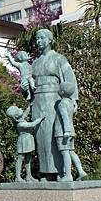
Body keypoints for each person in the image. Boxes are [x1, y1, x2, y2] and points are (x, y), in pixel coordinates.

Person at [23, 29, 78, 180]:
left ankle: (60, 172)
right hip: (38, 101)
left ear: (49, 40)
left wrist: (72, 100)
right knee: (41, 138)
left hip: (54, 100)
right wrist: (26, 87)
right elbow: (28, 83)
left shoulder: (59, 59)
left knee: (54, 136)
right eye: (37, 38)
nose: (38, 41)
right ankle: (46, 173)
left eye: (41, 38)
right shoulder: (35, 62)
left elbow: (69, 80)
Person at [54, 82, 87, 181]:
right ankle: (80, 171)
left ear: (62, 92)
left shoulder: (62, 104)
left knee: (65, 152)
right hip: (71, 131)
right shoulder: (71, 103)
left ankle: (68, 175)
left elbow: (65, 117)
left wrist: (66, 131)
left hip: (62, 131)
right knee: (72, 152)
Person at [6, 105, 45, 182]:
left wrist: (29, 106)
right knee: (20, 158)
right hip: (23, 141)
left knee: (28, 158)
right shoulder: (20, 124)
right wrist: (40, 118)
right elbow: (32, 124)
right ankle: (17, 176)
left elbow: (25, 113)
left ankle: (29, 176)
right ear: (16, 116)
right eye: (18, 110)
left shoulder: (21, 119)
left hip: (28, 140)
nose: (20, 109)